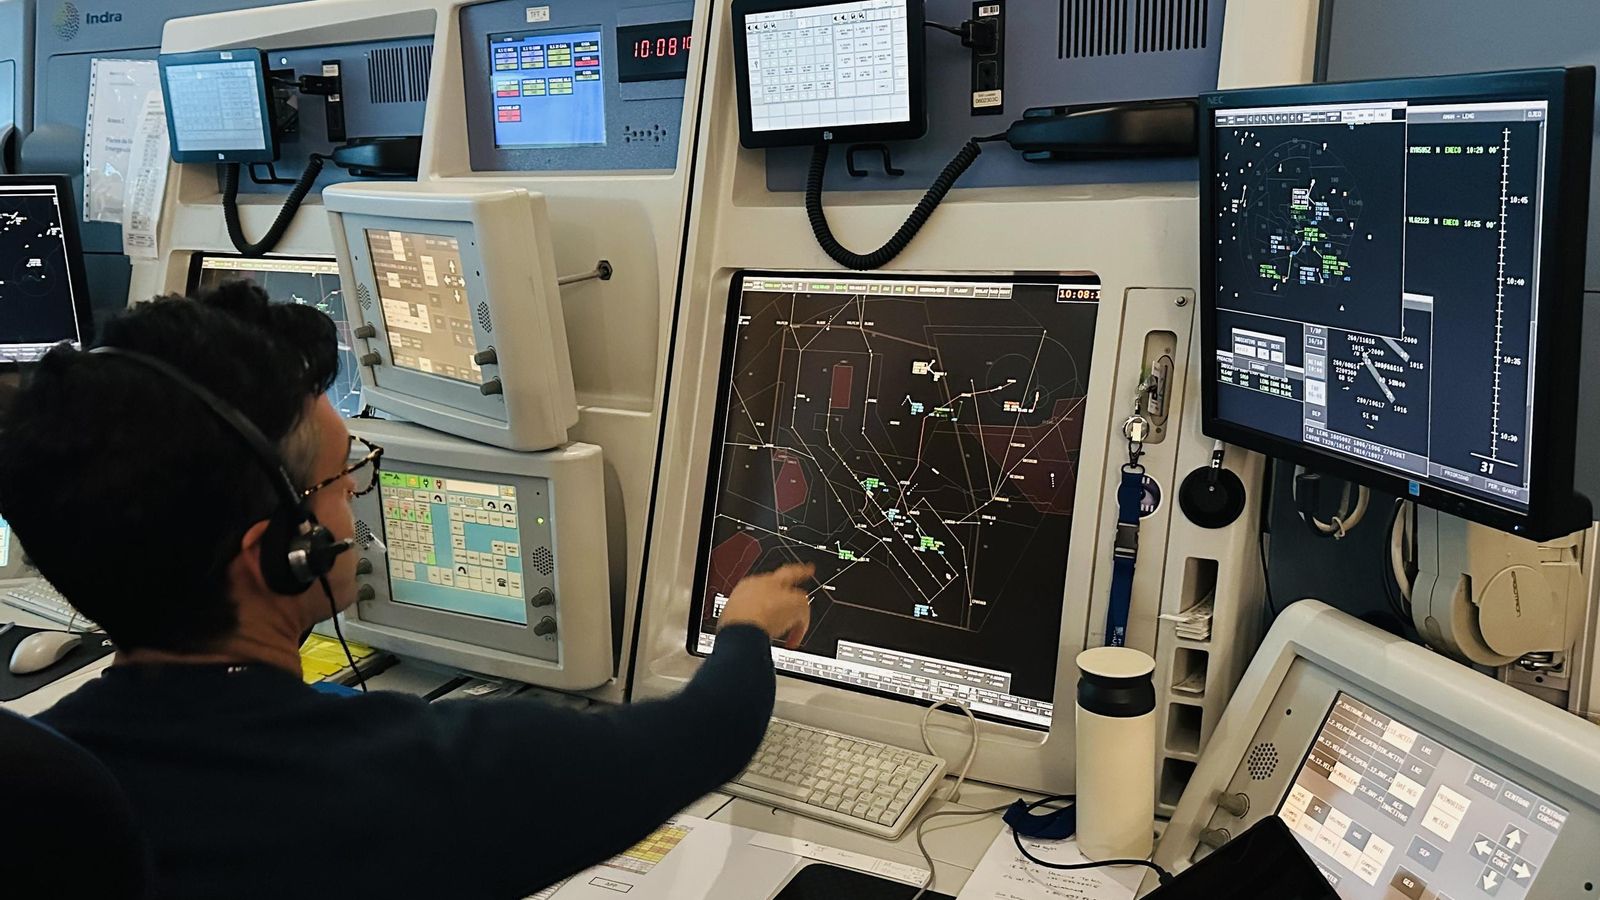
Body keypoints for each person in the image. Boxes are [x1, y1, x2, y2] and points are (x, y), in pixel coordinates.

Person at [0, 282, 814, 900]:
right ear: (283, 552)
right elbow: (700, 738)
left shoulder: (46, 768)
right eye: (340, 475)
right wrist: (745, 629)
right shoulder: (395, 783)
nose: (353, 498)